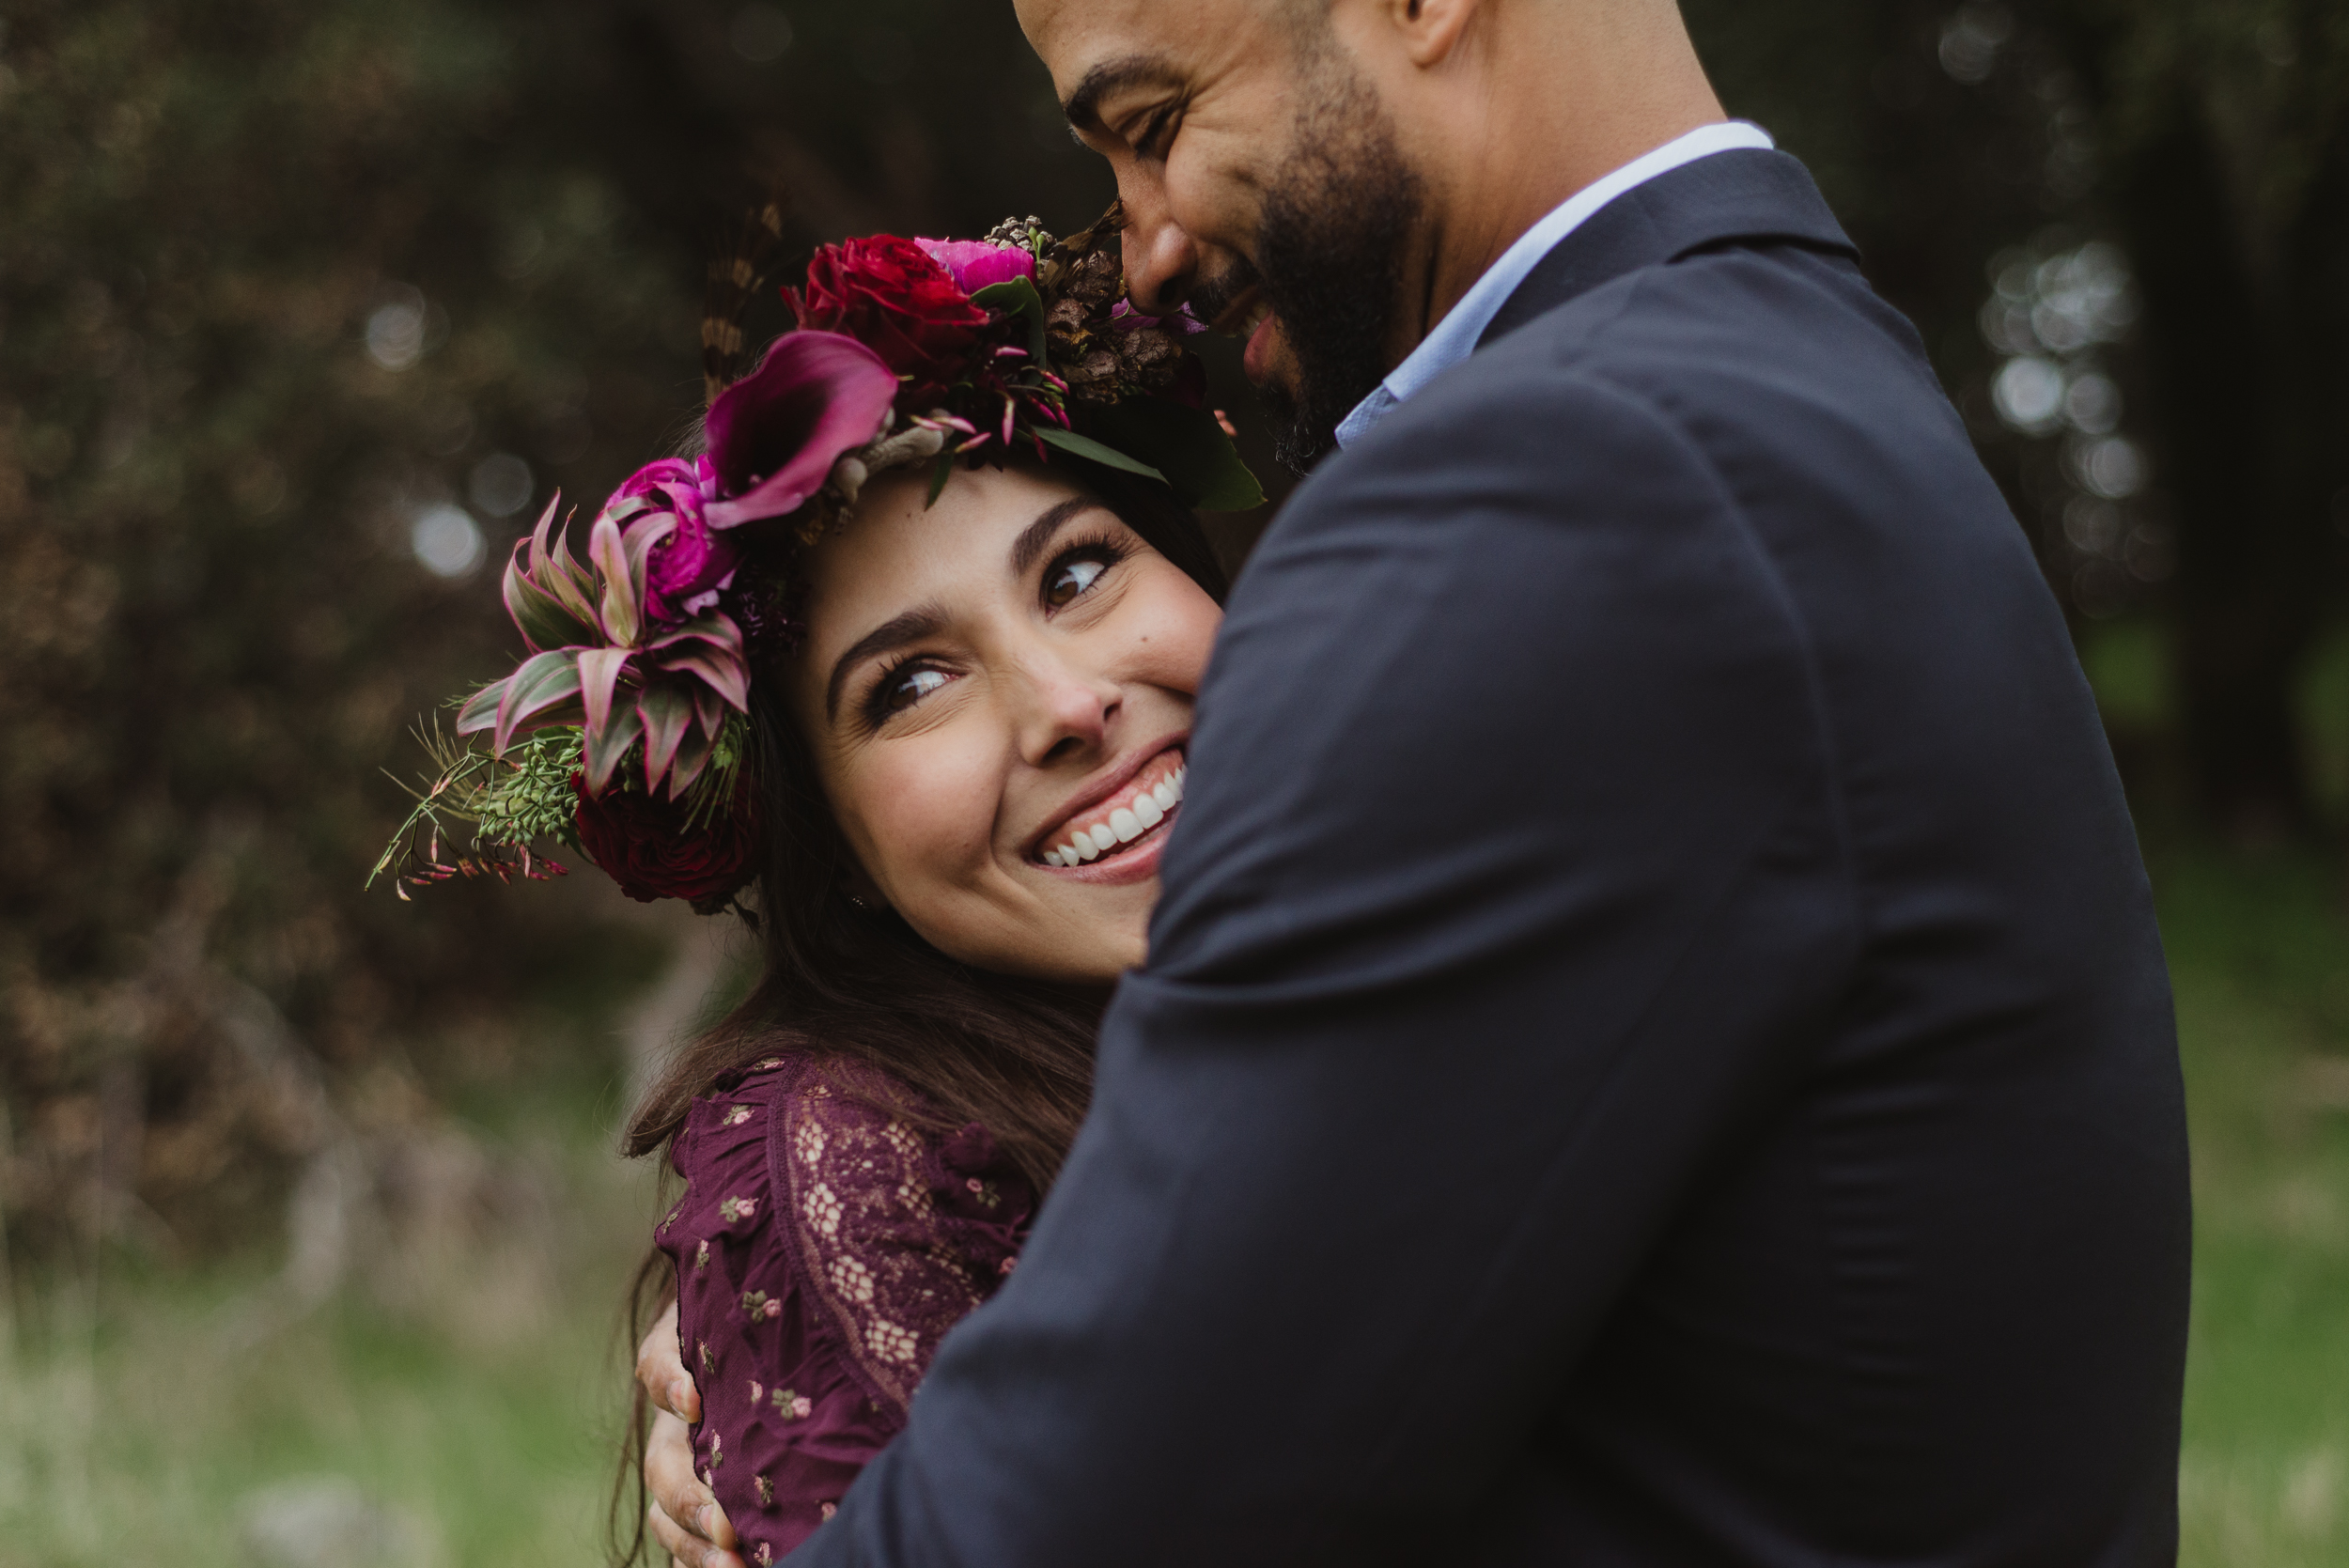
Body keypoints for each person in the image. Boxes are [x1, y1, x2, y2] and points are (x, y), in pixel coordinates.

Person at [637, 0, 2193, 1564]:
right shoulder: (1792, 381)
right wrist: (843, 1361)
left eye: (1157, 124)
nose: (1150, 250)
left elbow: (1122, 1504)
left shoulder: (1552, 488)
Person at [371, 219, 1255, 1566]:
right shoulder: (845, 1161)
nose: (1069, 704)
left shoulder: (1493, 831)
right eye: (910, 685)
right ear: (828, 846)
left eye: (1078, 572)